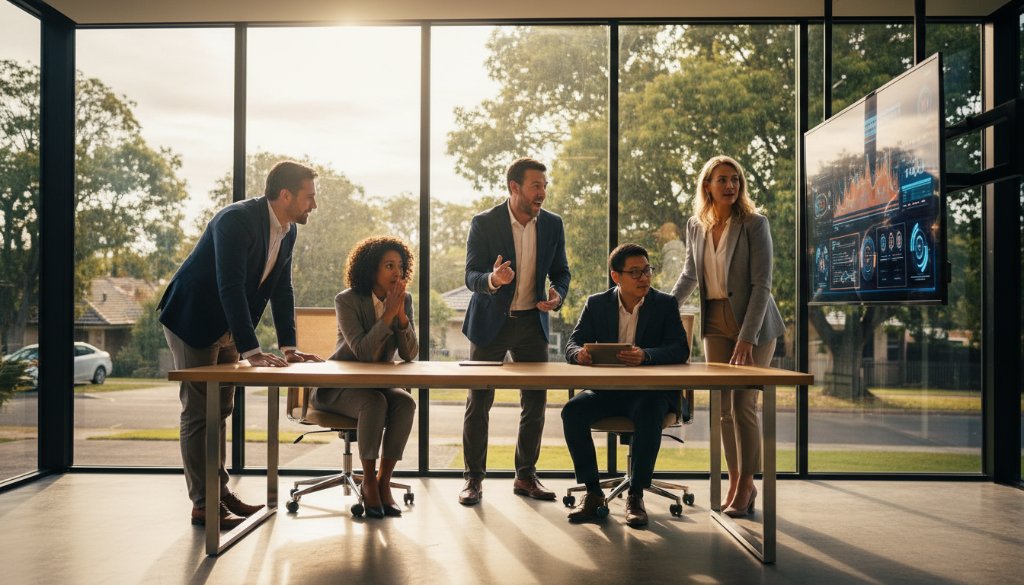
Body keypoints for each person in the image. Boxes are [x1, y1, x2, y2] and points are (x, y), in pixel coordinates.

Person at [158, 160, 325, 529]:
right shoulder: (235, 220)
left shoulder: (288, 231)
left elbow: (282, 288)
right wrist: (252, 352)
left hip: (229, 326)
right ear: (285, 195)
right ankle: (203, 504)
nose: (314, 205)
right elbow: (229, 286)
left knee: (221, 409)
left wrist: (289, 346)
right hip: (193, 319)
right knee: (200, 410)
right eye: (309, 197)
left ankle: (219, 492)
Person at [670, 155, 785, 518]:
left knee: (743, 406)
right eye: (722, 179)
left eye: (735, 179)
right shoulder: (695, 225)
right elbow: (690, 275)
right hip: (715, 322)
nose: (731, 185)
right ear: (707, 185)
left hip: (754, 322)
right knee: (722, 409)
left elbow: (761, 284)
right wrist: (662, 307)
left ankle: (748, 484)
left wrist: (747, 338)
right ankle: (735, 480)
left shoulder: (754, 223)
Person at [459, 157, 571, 506]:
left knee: (535, 403)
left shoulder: (552, 225)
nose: (543, 192)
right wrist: (493, 279)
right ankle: (473, 479)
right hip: (491, 322)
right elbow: (471, 276)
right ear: (514, 187)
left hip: (531, 324)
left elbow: (562, 272)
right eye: (536, 185)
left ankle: (525, 476)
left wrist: (558, 294)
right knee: (479, 402)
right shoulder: (485, 223)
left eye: (545, 186)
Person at [562, 243, 690, 528]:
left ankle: (636, 494)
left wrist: (647, 356)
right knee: (572, 412)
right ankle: (593, 493)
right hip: (607, 392)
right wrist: (577, 354)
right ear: (616, 276)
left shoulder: (665, 304)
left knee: (648, 410)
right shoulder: (596, 304)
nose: (644, 277)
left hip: (650, 394)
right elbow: (572, 343)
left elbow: (680, 349)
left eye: (647, 270)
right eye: (635, 272)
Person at [310, 236, 418, 519]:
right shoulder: (346, 300)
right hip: (338, 388)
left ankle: (384, 482)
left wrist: (402, 318)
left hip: (378, 386)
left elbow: (409, 354)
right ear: (372, 269)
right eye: (389, 266)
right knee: (374, 403)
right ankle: (368, 481)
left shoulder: (403, 300)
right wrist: (387, 317)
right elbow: (363, 352)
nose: (397, 272)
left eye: (401, 266)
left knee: (406, 403)